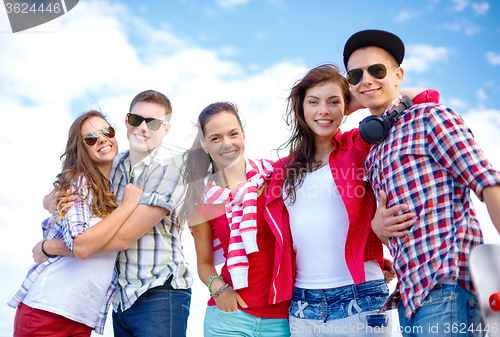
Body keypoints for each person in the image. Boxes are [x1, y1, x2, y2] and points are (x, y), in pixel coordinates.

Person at [343, 29, 500, 336]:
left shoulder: (429, 117)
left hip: (448, 285)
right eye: (355, 75)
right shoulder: (375, 151)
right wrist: (379, 230)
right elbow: (405, 233)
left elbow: (489, 183)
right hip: (410, 298)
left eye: (377, 70)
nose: (366, 79)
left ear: (398, 75)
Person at [266, 64, 440, 336]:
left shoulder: (359, 145)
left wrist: (359, 99)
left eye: (333, 102)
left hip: (362, 297)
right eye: (313, 102)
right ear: (301, 109)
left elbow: (426, 97)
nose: (323, 110)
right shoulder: (281, 170)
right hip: (302, 305)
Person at [36, 90, 193, 337]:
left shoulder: (169, 171)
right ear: (126, 121)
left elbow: (122, 239)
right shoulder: (111, 165)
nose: (142, 128)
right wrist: (51, 200)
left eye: (153, 123)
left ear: (166, 130)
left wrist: (51, 247)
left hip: (159, 293)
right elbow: (69, 184)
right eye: (136, 119)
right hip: (121, 299)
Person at [8, 110, 143, 336]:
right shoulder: (80, 183)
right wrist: (128, 207)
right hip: (47, 309)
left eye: (106, 131)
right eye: (90, 138)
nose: (101, 139)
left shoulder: (118, 182)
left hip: (82, 316)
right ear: (83, 149)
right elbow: (80, 246)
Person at [178, 102, 293, 337]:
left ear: (243, 135)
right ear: (204, 144)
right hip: (229, 319)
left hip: (285, 319)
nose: (227, 144)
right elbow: (204, 264)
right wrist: (219, 289)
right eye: (216, 138)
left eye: (233, 134)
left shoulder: (276, 178)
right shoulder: (201, 201)